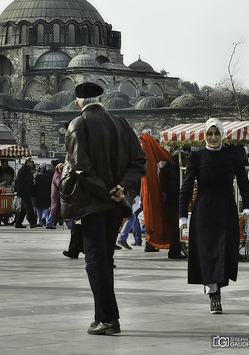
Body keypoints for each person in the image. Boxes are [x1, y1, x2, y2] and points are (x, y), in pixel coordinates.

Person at [60, 82, 147, 335]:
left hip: (92, 205)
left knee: (96, 260)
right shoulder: (121, 123)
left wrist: (104, 189)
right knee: (105, 259)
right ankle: (103, 316)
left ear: (78, 102)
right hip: (115, 205)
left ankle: (108, 319)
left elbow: (80, 167)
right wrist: (121, 187)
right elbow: (139, 161)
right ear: (101, 98)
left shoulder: (78, 124)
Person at [179, 118, 249, 314]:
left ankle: (216, 286)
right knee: (209, 252)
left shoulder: (232, 155)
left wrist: (247, 207)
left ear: (222, 134)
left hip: (226, 209)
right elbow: (186, 187)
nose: (213, 137)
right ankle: (214, 295)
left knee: (224, 251)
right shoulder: (197, 157)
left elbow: (244, 183)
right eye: (209, 134)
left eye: (216, 133)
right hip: (203, 211)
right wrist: (182, 216)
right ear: (204, 135)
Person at [162, 150, 187, 260]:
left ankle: (176, 250)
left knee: (176, 227)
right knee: (177, 228)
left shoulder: (168, 169)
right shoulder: (176, 172)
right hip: (175, 202)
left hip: (171, 201)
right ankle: (174, 251)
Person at [14, 157, 38, 228]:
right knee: (29, 208)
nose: (32, 164)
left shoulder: (28, 170)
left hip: (27, 192)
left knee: (23, 210)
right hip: (24, 193)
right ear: (27, 162)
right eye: (31, 162)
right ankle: (33, 223)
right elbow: (20, 182)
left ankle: (18, 223)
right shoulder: (23, 170)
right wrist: (20, 193)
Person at [46, 163, 63, 229]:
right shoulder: (57, 175)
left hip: (57, 194)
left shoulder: (58, 174)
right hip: (55, 194)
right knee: (54, 208)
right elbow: (58, 184)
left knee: (56, 208)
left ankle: (51, 223)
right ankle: (49, 224)